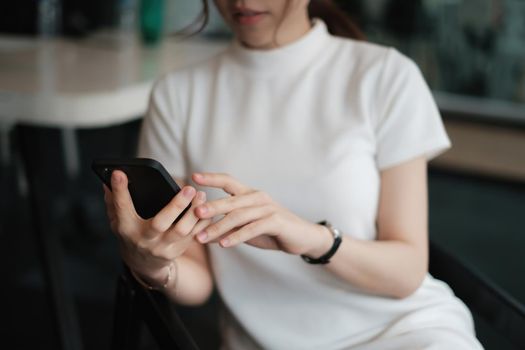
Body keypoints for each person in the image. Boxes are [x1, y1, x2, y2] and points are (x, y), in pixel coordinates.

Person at [103, 0, 484, 349]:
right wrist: (153, 264)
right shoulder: (178, 95)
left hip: (405, 332)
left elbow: (406, 272)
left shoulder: (385, 76)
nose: (241, 2)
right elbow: (198, 281)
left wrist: (310, 238)